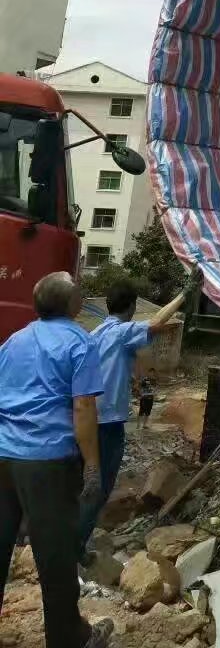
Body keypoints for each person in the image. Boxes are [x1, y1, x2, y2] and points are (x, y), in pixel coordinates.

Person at [0, 272, 112, 648]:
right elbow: (83, 407)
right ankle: (69, 639)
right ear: (71, 304)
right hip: (47, 462)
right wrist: (93, 466)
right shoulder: (80, 342)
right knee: (55, 555)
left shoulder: (14, 340)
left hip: (4, 456)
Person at [77, 276, 194, 557]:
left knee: (84, 485)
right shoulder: (120, 333)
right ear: (130, 308)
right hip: (108, 425)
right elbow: (155, 324)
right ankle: (75, 547)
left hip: (86, 420)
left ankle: (69, 540)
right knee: (100, 489)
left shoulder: (94, 335)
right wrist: (183, 296)